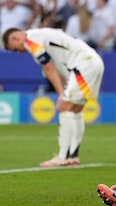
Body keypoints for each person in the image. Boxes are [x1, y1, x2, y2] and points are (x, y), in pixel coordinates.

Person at [2, 27, 104, 167]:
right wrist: (63, 92)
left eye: (14, 49)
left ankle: (62, 156)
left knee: (65, 107)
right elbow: (58, 69)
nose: (19, 52)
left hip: (82, 65)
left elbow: (48, 68)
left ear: (15, 38)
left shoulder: (31, 41)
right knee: (76, 109)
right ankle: (72, 156)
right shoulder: (42, 34)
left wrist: (61, 94)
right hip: (93, 62)